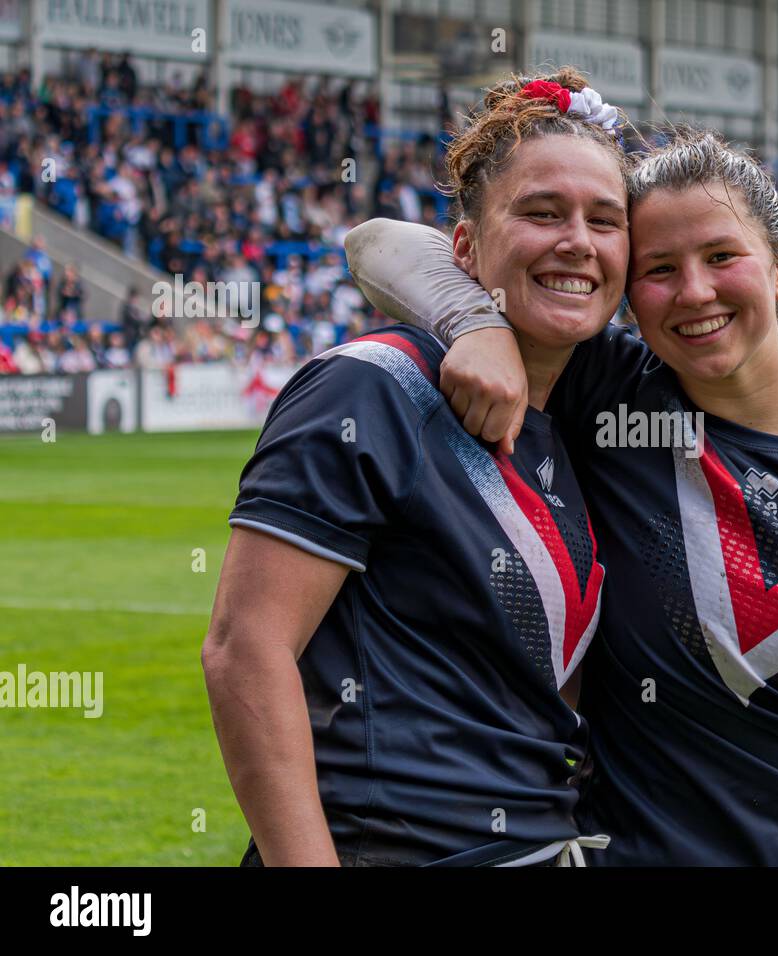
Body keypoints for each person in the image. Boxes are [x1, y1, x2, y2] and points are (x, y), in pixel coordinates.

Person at [347, 125, 778, 866]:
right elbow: (376, 243)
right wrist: (474, 322)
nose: (694, 291)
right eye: (659, 268)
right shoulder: (603, 392)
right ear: (629, 291)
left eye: (722, 256)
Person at [202, 69, 632, 867]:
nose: (577, 239)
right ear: (463, 246)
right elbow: (244, 649)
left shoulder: (578, 421)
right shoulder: (372, 383)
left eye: (604, 220)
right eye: (541, 213)